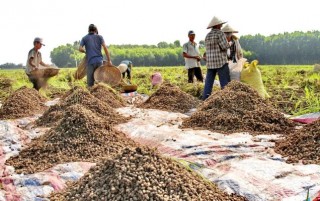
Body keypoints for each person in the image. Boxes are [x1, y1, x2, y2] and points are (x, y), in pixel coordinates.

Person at [202, 16, 230, 100]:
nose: (221, 26)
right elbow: (224, 46)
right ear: (217, 25)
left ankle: (205, 99)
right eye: (220, 24)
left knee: (208, 82)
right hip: (220, 61)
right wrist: (229, 44)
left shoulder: (207, 35)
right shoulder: (220, 33)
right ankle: (226, 99)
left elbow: (207, 49)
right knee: (224, 82)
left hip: (210, 63)